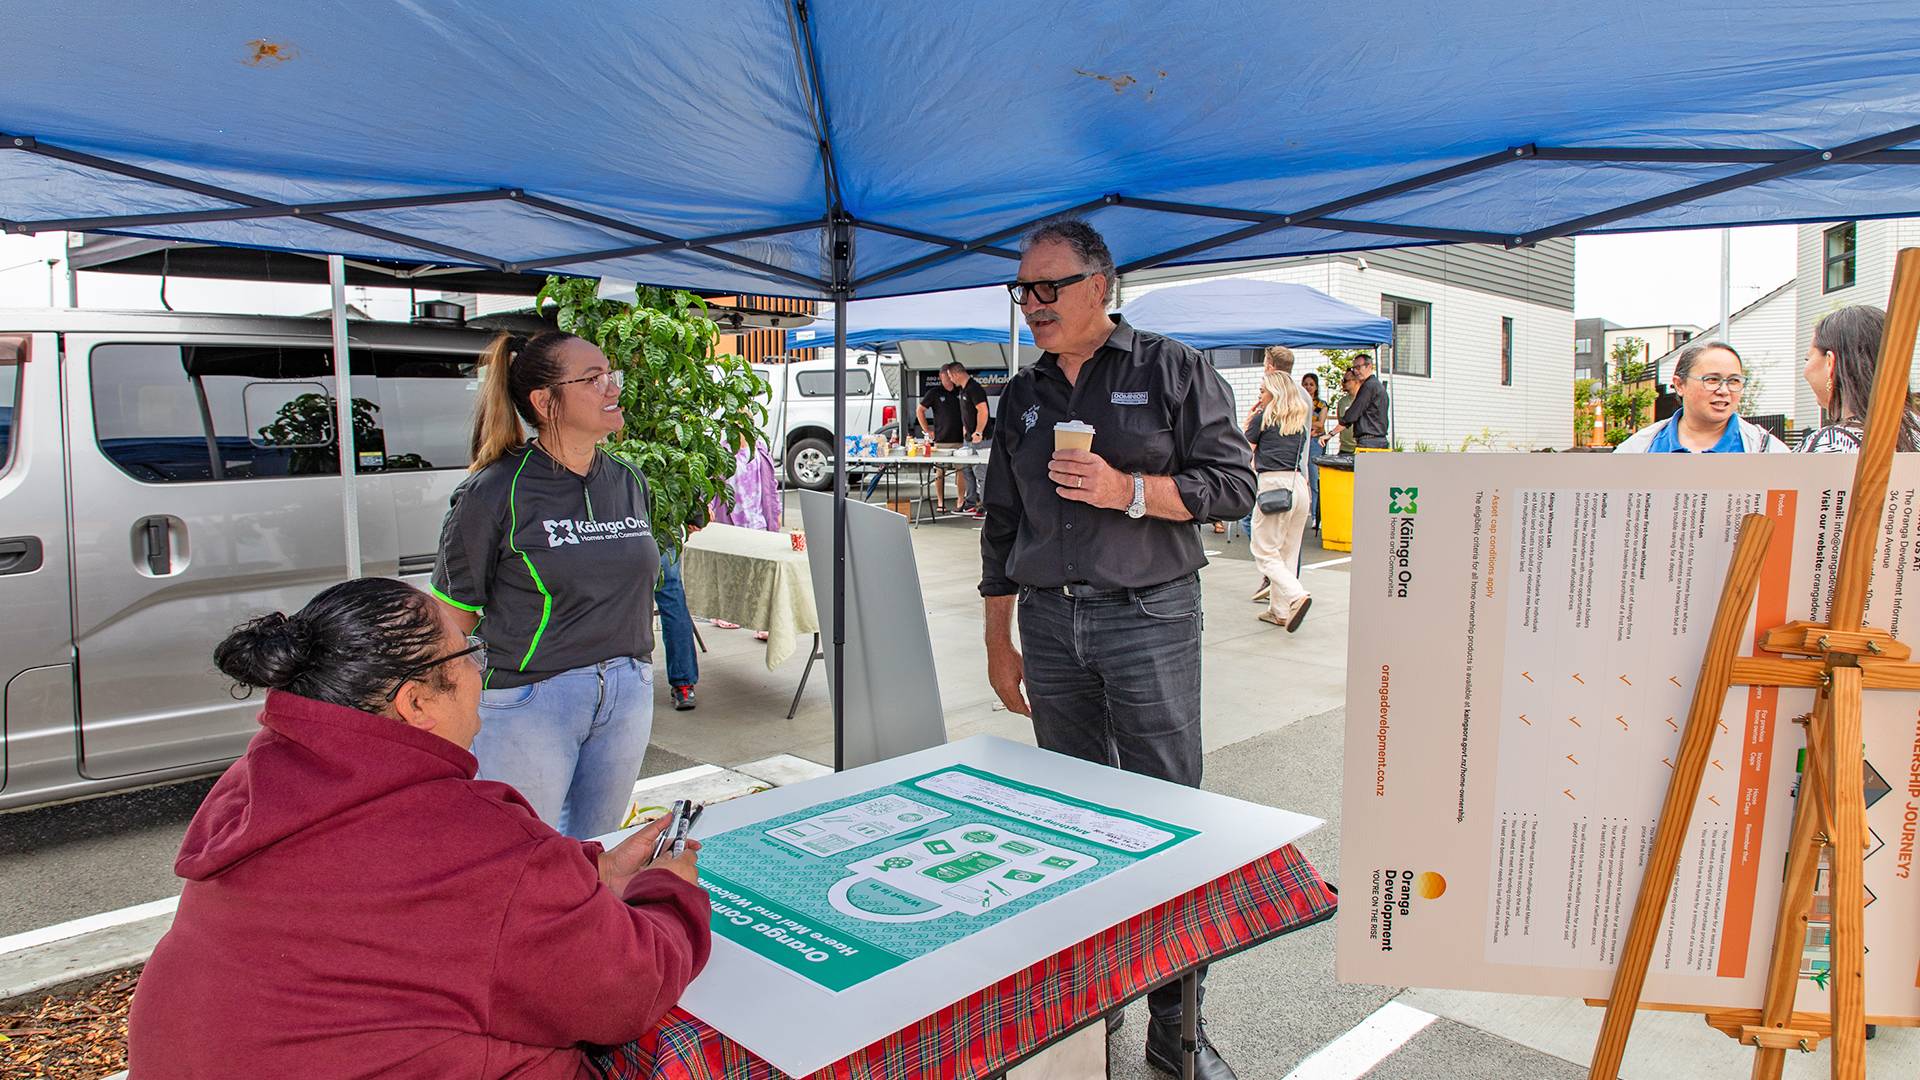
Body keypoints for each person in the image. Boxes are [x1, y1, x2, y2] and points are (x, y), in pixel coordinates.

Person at [128, 578, 709, 1078]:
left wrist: (589, 872)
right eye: (468, 656)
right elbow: (626, 990)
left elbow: (415, 916)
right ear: (416, 703)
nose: (482, 672)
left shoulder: (257, 780)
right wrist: (670, 888)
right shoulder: (472, 840)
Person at [981, 219, 1254, 1080]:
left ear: (1100, 285)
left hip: (1150, 619)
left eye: (1047, 288)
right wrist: (1001, 641)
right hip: (1050, 628)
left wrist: (1129, 490)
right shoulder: (1021, 395)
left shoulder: (1172, 369)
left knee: (1170, 823)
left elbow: (1235, 485)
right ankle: (1088, 1019)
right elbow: (1001, 525)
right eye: (1022, 291)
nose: (1032, 305)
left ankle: (1179, 1030)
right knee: (1072, 826)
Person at [431, 330, 662, 838]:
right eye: (593, 379)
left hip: (628, 690)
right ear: (544, 401)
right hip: (532, 700)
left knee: (597, 852)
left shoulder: (628, 481)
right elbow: (452, 619)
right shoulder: (493, 491)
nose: (612, 388)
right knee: (524, 854)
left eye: (611, 375)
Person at [1614, 341, 1788, 453]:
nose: (1724, 390)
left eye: (1734, 381)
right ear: (1680, 384)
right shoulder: (1639, 449)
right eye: (1712, 380)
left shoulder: (1766, 450)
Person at [1799, 305, 1920, 453]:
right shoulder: (1914, 430)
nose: (1805, 371)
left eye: (1807, 358)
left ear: (1830, 362)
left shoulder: (1831, 442)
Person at [1246, 371, 1314, 631]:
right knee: (1288, 553)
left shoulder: (1262, 418)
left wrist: (1249, 420)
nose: (1259, 395)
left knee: (1265, 553)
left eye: (1262, 390)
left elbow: (1244, 451)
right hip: (1298, 486)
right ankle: (1279, 611)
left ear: (1273, 392)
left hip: (1273, 485)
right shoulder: (1299, 423)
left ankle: (1296, 595)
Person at [655, 542, 698, 711]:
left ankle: (619, 678)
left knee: (623, 601)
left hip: (618, 534)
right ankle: (683, 685)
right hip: (663, 534)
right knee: (672, 597)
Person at [917, 366, 966, 512]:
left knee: (961, 471)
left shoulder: (960, 390)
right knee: (939, 472)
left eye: (950, 377)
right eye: (946, 377)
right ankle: (940, 501)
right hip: (941, 439)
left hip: (960, 439)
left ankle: (961, 499)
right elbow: (920, 410)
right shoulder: (934, 392)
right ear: (941, 377)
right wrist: (927, 430)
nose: (949, 380)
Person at [946, 361, 991, 516]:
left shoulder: (974, 388)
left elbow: (983, 411)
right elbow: (967, 413)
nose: (951, 380)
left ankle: (985, 506)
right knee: (966, 469)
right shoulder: (963, 390)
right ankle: (971, 501)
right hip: (969, 438)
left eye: (951, 376)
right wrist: (966, 430)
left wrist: (978, 432)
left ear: (957, 373)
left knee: (981, 472)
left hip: (981, 438)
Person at [1331, 352, 1390, 448]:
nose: (1356, 371)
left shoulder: (1369, 386)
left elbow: (1353, 413)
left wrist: (1331, 433)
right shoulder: (1378, 386)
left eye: (1358, 367)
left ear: (1369, 366)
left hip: (1369, 441)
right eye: (1354, 368)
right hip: (1379, 440)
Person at [1300, 371, 1328, 530]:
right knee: (1302, 478)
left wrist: (1308, 425)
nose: (1308, 387)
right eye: (1305, 384)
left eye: (1311, 384)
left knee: (1314, 478)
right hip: (1303, 440)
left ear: (1316, 387)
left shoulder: (1321, 404)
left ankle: (1316, 516)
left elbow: (1320, 424)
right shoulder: (1300, 402)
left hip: (1315, 442)